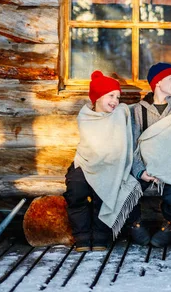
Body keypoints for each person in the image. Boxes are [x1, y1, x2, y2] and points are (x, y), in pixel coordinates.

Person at [64, 71, 143, 252]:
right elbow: (91, 145)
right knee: (76, 189)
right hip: (85, 161)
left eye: (117, 96)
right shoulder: (85, 117)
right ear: (98, 97)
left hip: (111, 163)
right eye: (110, 95)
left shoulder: (120, 114)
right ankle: (82, 236)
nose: (115, 100)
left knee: (105, 189)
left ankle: (101, 235)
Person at [128, 63, 171, 248]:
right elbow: (132, 145)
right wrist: (141, 172)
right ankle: (134, 224)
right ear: (157, 82)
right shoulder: (138, 111)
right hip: (145, 166)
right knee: (124, 190)